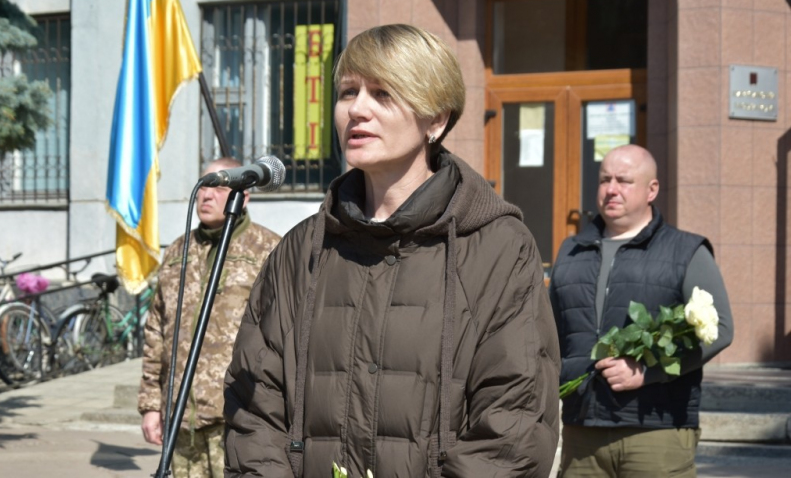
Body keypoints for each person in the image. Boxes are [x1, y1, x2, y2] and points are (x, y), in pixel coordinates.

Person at [223, 24, 560, 478]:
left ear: (436, 120)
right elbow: (253, 407)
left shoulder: (498, 248)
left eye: (382, 93)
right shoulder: (301, 250)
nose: (357, 109)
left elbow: (515, 423)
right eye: (348, 92)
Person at [549, 144, 734, 477]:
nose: (611, 189)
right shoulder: (571, 250)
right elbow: (551, 332)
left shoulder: (686, 250)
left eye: (624, 180)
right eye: (605, 179)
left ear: (652, 190)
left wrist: (649, 372)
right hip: (582, 431)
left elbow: (719, 329)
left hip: (655, 430)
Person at [138, 157, 281, 478]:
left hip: (238, 416)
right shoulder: (178, 251)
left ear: (244, 195)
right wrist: (150, 405)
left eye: (219, 187)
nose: (206, 194)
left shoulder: (268, 249)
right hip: (181, 419)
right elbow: (155, 332)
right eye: (204, 186)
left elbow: (284, 334)